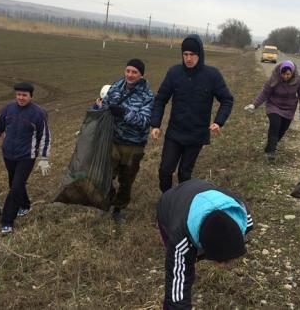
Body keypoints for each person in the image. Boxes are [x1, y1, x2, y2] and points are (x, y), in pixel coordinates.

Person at [150, 35, 234, 193]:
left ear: (200, 54)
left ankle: (182, 203)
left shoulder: (212, 75)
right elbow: (161, 99)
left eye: (192, 55)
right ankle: (167, 199)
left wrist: (219, 121)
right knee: (165, 171)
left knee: (184, 174)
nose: (188, 58)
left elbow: (227, 99)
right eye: (185, 54)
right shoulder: (174, 73)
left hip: (197, 134)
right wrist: (155, 124)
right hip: (175, 132)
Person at [156, 178, 254, 309]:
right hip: (170, 203)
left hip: (202, 189)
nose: (221, 266)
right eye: (220, 260)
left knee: (187, 258)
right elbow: (176, 284)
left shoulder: (244, 218)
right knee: (182, 271)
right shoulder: (180, 238)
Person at [0, 82, 51, 234]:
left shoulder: (38, 114)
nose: (21, 97)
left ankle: (7, 222)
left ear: (31, 96)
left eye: (24, 95)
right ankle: (25, 205)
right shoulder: (8, 109)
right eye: (19, 94)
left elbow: (45, 137)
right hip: (9, 154)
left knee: (16, 187)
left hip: (26, 156)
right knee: (14, 183)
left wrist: (44, 157)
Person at [93, 59, 154, 222]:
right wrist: (99, 109)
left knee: (126, 181)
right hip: (112, 140)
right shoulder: (115, 87)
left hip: (134, 145)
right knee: (104, 175)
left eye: (134, 72)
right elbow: (105, 108)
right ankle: (108, 200)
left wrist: (124, 113)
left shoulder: (147, 95)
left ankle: (118, 209)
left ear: (141, 75)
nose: (130, 75)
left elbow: (145, 122)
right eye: (128, 71)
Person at [245, 60, 300, 161]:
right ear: (280, 72)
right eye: (283, 74)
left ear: (292, 73)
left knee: (282, 130)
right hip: (274, 106)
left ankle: (270, 146)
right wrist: (254, 105)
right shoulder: (273, 79)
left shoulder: (299, 80)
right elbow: (264, 93)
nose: (285, 76)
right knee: (275, 125)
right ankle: (271, 151)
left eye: (288, 74)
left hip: (289, 108)